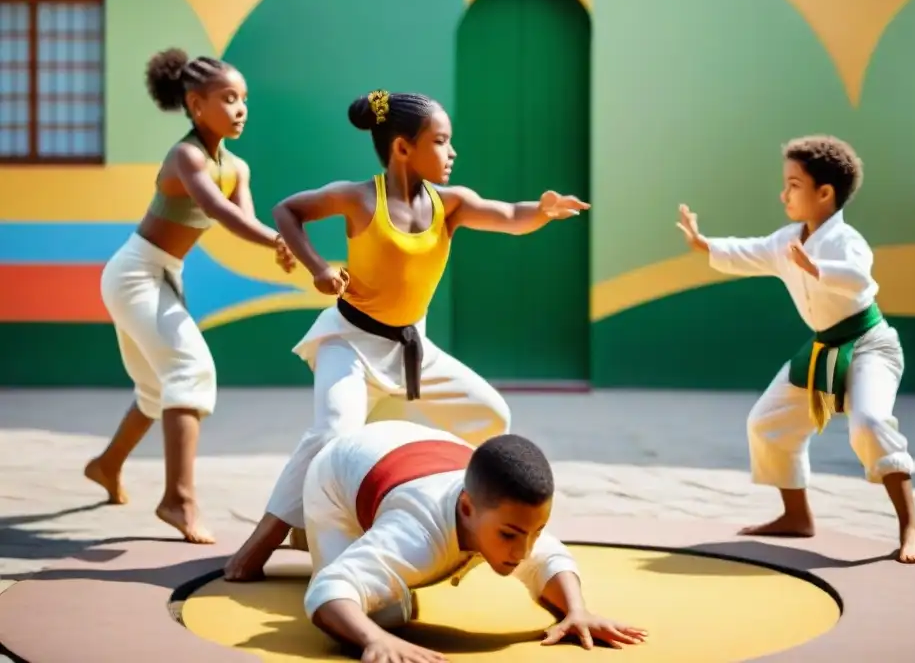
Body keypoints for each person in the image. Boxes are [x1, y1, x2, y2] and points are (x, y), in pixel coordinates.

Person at [224, 89, 589, 580]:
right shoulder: (358, 198)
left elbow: (507, 216)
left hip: (413, 349)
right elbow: (288, 211)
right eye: (440, 142)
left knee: (490, 414)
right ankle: (262, 542)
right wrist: (317, 269)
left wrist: (540, 211)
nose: (452, 152)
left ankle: (461, 520)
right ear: (402, 148)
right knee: (332, 435)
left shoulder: (452, 205)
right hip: (350, 342)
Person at [676, 135, 915, 565]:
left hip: (870, 347)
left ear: (825, 193)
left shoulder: (846, 241)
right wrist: (705, 244)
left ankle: (912, 528)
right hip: (823, 347)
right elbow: (750, 251)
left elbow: (858, 277)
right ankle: (797, 517)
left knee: (868, 423)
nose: (783, 194)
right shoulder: (787, 240)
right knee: (767, 421)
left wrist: (817, 268)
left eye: (793, 184)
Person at [84, 48, 295, 544]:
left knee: (157, 391)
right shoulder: (186, 156)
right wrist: (277, 241)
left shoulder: (236, 166)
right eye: (229, 98)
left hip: (162, 275)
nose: (241, 108)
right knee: (189, 372)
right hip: (135, 272)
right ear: (196, 105)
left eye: (245, 99)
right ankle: (178, 500)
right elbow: (218, 211)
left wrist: (276, 244)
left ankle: (105, 464)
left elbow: (244, 221)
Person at [302, 420, 647, 661]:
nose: (523, 550)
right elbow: (328, 590)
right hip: (338, 470)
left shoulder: (501, 512)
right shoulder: (415, 535)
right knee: (383, 617)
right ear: (466, 507)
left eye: (536, 532)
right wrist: (375, 639)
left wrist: (577, 610)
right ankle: (303, 530)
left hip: (419, 447)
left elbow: (548, 558)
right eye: (509, 535)